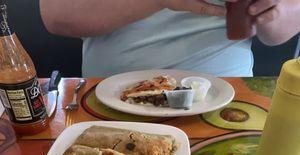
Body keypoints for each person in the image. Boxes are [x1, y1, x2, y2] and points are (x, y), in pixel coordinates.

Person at [39, 0, 300, 77]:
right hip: (111, 95)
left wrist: (273, 10)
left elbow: (284, 25)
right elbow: (56, 16)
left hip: (226, 95)